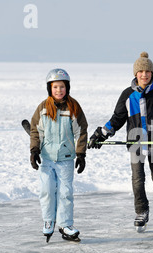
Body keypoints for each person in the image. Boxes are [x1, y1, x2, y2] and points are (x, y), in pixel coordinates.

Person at [88, 52, 153, 232]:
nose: (144, 74)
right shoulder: (127, 95)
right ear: (135, 74)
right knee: (137, 180)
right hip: (136, 144)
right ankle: (141, 211)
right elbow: (117, 119)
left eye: (147, 71)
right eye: (140, 71)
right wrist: (101, 134)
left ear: (152, 73)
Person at [30, 68, 88, 242]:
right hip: (47, 158)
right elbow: (35, 131)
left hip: (65, 159)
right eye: (55, 87)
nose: (58, 90)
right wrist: (34, 151)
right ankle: (49, 221)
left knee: (65, 192)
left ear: (67, 87)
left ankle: (65, 224)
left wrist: (81, 154)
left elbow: (81, 131)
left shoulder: (73, 107)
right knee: (46, 190)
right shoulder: (43, 108)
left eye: (62, 87)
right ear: (50, 88)